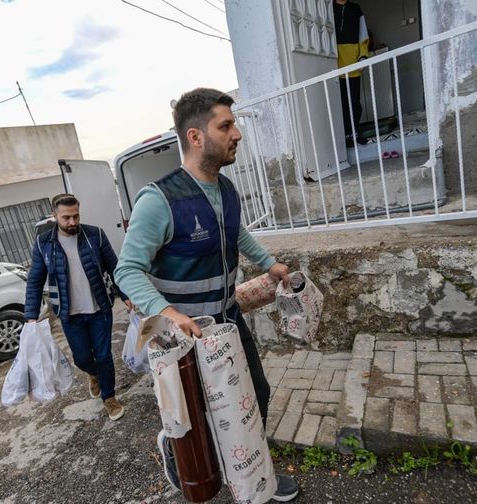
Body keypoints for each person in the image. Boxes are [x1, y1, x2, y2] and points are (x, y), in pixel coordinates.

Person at [114, 88, 299, 502]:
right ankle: (177, 452)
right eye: (226, 126)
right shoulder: (159, 200)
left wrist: (269, 263)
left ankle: (253, 477)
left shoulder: (227, 189)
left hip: (227, 321)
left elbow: (237, 233)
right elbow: (127, 270)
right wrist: (168, 313)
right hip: (179, 334)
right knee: (193, 416)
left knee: (254, 396)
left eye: (234, 125)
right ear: (196, 136)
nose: (237, 134)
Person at [24, 194, 131, 421]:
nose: (72, 222)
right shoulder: (44, 243)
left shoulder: (95, 235)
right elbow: (34, 280)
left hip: (99, 309)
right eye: (66, 217)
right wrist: (31, 315)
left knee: (103, 356)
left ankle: (109, 397)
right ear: (55, 215)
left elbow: (114, 267)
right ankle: (93, 374)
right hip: (69, 314)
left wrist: (126, 295)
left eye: (76, 216)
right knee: (81, 358)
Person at [333, 0, 369, 146]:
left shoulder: (355, 9)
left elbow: (363, 34)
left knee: (354, 103)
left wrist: (363, 56)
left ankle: (354, 134)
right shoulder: (328, 9)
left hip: (353, 64)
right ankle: (345, 137)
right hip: (335, 65)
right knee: (340, 104)